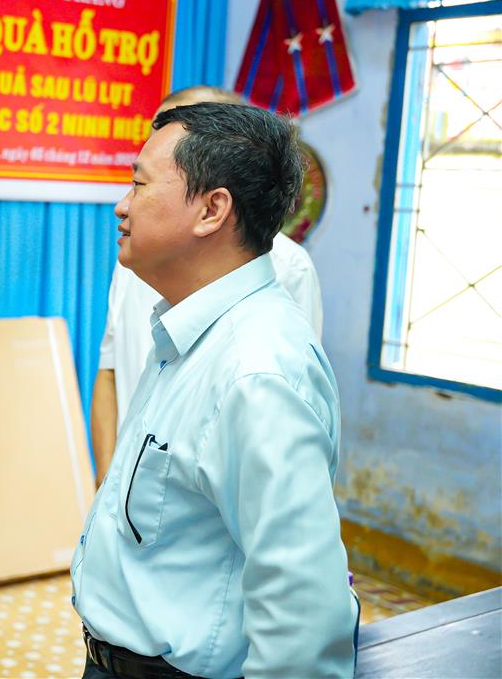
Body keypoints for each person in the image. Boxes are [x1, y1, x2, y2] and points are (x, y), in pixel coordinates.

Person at [72, 103, 356, 678]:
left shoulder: (257, 373)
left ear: (211, 209)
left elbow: (303, 623)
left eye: (139, 184)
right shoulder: (188, 331)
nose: (121, 205)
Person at [89, 86, 322, 483]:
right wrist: (109, 487)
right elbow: (110, 372)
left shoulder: (267, 360)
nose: (124, 205)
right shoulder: (138, 259)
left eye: (142, 183)